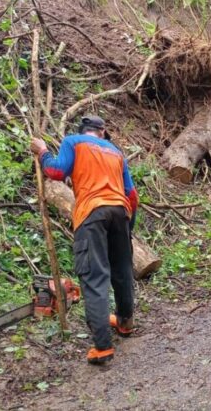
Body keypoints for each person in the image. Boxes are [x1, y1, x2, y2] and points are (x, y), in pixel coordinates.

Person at [29, 115, 139, 365]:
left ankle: (102, 347)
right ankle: (125, 323)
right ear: (102, 131)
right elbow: (131, 194)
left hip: (92, 214)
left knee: (94, 276)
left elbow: (55, 171)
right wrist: (128, 227)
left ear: (84, 130)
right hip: (120, 212)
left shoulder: (73, 142)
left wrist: (43, 151)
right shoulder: (115, 152)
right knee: (122, 272)